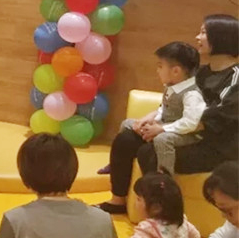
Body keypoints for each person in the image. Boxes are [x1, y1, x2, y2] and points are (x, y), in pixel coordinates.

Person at [101, 15, 239, 214]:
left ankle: (163, 213)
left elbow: (216, 116)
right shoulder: (200, 72)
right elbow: (175, 101)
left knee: (150, 152)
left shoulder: (235, 77)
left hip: (214, 146)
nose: (197, 37)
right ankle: (118, 200)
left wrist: (163, 129)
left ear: (221, 37)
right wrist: (151, 117)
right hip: (184, 132)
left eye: (203, 33)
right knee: (127, 138)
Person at [97, 41, 205, 213]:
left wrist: (162, 129)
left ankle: (164, 179)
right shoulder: (171, 86)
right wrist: (149, 119)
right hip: (166, 125)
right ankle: (116, 172)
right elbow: (164, 109)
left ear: (176, 71)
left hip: (184, 133)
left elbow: (191, 122)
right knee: (128, 125)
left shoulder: (191, 94)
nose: (157, 70)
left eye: (160, 66)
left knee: (162, 140)